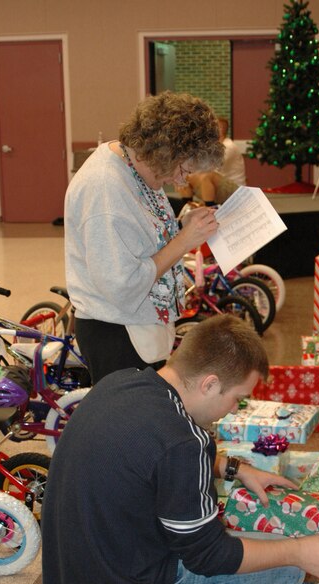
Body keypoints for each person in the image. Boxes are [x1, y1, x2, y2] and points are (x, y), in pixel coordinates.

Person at [41, 315, 319, 584]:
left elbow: (149, 461)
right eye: (238, 398)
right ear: (210, 384)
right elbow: (210, 556)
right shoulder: (183, 442)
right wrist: (298, 552)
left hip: (85, 573)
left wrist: (234, 468)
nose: (235, 408)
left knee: (251, 543)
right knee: (286, 570)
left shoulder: (124, 382)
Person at [64, 91, 224, 384]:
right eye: (183, 170)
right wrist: (184, 241)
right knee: (127, 426)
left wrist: (180, 227)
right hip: (117, 333)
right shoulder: (105, 189)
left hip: (139, 329)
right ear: (164, 154)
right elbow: (121, 286)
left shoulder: (139, 164)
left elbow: (141, 238)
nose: (180, 181)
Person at [218, 116, 246, 186]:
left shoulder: (228, 146)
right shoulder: (218, 146)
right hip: (225, 184)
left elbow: (216, 167)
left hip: (235, 187)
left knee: (207, 177)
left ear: (220, 129)